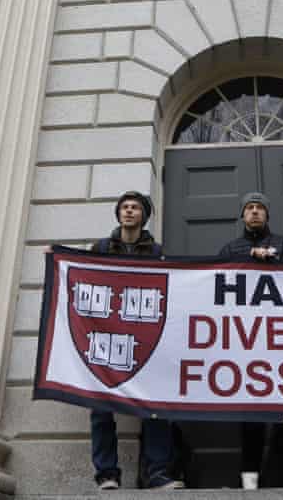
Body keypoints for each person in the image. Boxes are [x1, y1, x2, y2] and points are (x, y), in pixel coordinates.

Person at [88, 191, 184, 490]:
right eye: (125, 207)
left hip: (145, 341)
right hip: (105, 339)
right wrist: (56, 256)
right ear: (119, 214)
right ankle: (107, 474)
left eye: (135, 208)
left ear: (144, 215)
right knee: (101, 409)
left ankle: (157, 472)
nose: (129, 211)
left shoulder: (157, 252)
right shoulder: (101, 248)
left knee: (156, 406)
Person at [218, 192, 283, 488]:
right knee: (250, 414)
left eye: (260, 208)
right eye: (250, 208)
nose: (255, 212)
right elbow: (214, 279)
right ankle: (250, 480)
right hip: (246, 340)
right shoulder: (230, 248)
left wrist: (271, 257)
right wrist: (249, 257)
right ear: (243, 215)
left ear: (267, 215)